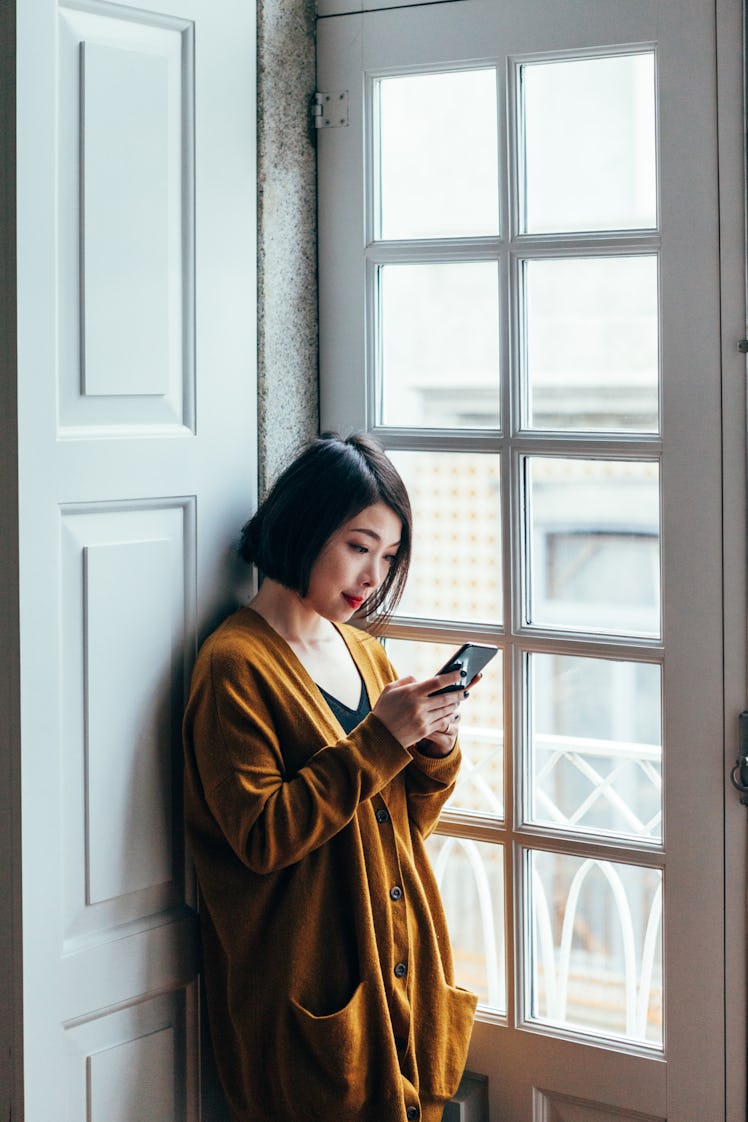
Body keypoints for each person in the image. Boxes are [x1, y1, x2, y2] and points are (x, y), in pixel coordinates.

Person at [182, 432, 478, 1122]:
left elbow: (400, 824)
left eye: (389, 556)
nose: (373, 577)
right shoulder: (236, 666)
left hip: (404, 982)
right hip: (310, 1000)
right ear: (306, 525)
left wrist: (432, 751)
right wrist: (381, 739)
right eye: (358, 546)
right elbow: (262, 837)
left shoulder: (367, 653)